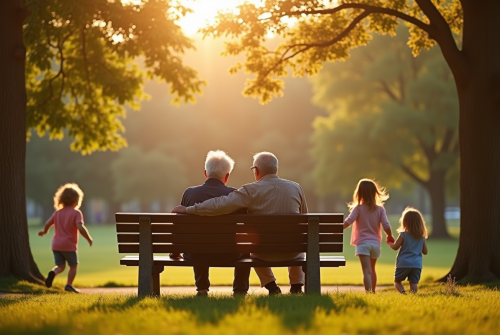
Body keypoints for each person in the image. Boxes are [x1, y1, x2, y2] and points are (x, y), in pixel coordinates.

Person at [172, 152, 308, 295]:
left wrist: (190, 209)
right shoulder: (296, 188)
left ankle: (272, 286)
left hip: (263, 253)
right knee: (294, 247)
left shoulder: (249, 191)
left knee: (252, 250)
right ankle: (296, 286)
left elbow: (220, 205)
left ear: (256, 171)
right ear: (276, 170)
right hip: (293, 251)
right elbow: (305, 219)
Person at [172, 150, 251, 296]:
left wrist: (176, 250)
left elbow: (180, 227)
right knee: (245, 247)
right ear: (227, 176)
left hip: (196, 254)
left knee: (198, 241)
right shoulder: (234, 195)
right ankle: (240, 290)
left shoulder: (190, 193)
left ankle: (202, 289)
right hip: (229, 254)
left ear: (205, 173)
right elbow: (245, 228)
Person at [38, 183, 93, 293]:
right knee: (73, 265)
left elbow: (48, 223)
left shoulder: (57, 213)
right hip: (68, 245)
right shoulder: (76, 213)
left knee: (60, 266)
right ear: (77, 200)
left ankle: (53, 273)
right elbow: (80, 227)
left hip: (56, 245)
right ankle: (69, 285)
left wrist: (44, 231)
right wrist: (88, 238)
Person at [343, 179, 394, 293]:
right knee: (372, 269)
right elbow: (386, 225)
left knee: (366, 271)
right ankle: (373, 291)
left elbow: (348, 221)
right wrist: (390, 236)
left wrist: (338, 229)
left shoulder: (358, 209)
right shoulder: (380, 209)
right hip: (375, 244)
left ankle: (368, 292)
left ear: (359, 193)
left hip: (362, 243)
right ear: (375, 193)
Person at [387, 207, 428, 294]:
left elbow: (395, 247)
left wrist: (389, 243)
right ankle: (413, 296)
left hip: (404, 263)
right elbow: (425, 251)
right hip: (417, 264)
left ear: (405, 222)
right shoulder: (421, 237)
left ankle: (403, 292)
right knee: (413, 282)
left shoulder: (403, 235)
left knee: (397, 281)